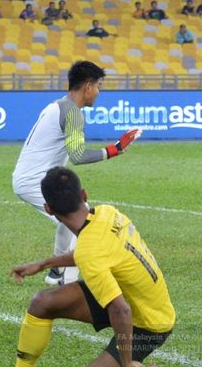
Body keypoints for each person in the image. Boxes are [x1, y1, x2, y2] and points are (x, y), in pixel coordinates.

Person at [0, 167, 174, 367]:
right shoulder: (107, 212)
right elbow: (93, 254)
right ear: (85, 195)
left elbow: (121, 310)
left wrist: (127, 363)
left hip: (150, 323)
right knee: (42, 302)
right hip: (127, 296)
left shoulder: (89, 251)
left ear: (48, 209)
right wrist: (43, 264)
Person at [11, 61, 142, 286]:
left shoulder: (60, 105)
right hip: (34, 181)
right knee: (80, 221)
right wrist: (115, 149)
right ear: (88, 87)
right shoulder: (72, 113)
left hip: (32, 178)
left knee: (71, 219)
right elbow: (78, 156)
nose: (99, 93)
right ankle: (68, 282)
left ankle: (57, 274)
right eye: (99, 86)